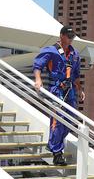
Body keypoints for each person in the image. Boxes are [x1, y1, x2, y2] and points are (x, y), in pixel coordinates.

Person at [32, 26, 85, 165]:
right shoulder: (51, 50)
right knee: (58, 119)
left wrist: (80, 89)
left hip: (70, 90)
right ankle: (56, 152)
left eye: (72, 36)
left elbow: (76, 75)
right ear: (61, 35)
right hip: (56, 89)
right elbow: (37, 65)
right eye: (68, 35)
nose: (70, 38)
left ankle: (54, 145)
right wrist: (38, 79)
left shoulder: (75, 54)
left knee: (70, 120)